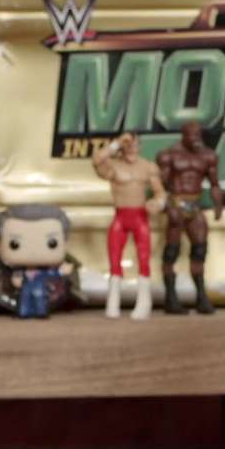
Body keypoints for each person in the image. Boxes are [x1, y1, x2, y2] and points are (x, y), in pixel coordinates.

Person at [91, 131, 166, 320]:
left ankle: (144, 302)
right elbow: (97, 160)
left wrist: (158, 203)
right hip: (120, 217)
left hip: (140, 217)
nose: (132, 148)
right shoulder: (113, 166)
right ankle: (113, 302)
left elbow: (160, 192)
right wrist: (116, 143)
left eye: (135, 144)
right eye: (128, 145)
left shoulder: (148, 167)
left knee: (144, 258)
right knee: (114, 259)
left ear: (139, 146)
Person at [157, 120, 224, 316]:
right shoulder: (169, 155)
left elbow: (215, 183)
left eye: (198, 134)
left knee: (200, 249)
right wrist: (168, 207)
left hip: (195, 205)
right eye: (191, 135)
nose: (196, 138)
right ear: (183, 135)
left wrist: (218, 204)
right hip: (177, 204)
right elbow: (159, 186)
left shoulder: (208, 156)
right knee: (171, 252)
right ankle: (171, 298)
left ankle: (201, 297)